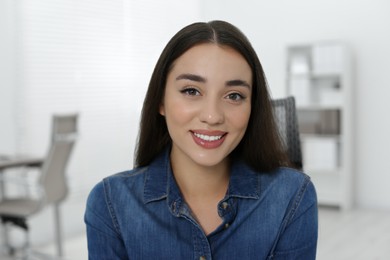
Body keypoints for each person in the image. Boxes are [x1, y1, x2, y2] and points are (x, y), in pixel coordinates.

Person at [84, 20, 318, 259]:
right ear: (161, 101)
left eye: (234, 95)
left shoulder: (292, 196)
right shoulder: (110, 203)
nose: (212, 116)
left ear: (252, 107)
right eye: (191, 91)